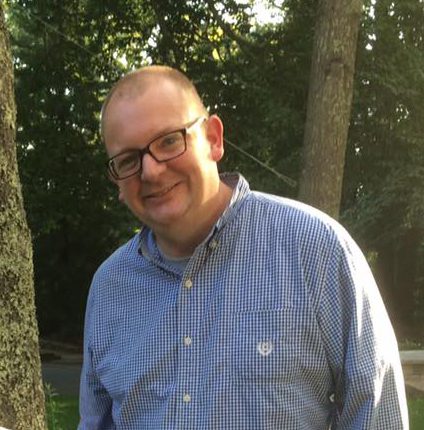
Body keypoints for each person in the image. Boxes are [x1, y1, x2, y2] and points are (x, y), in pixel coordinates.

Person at [78, 65, 408, 429]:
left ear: (213, 139)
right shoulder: (109, 288)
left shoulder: (317, 251)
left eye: (169, 141)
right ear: (117, 182)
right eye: (128, 160)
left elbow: (378, 415)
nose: (151, 171)